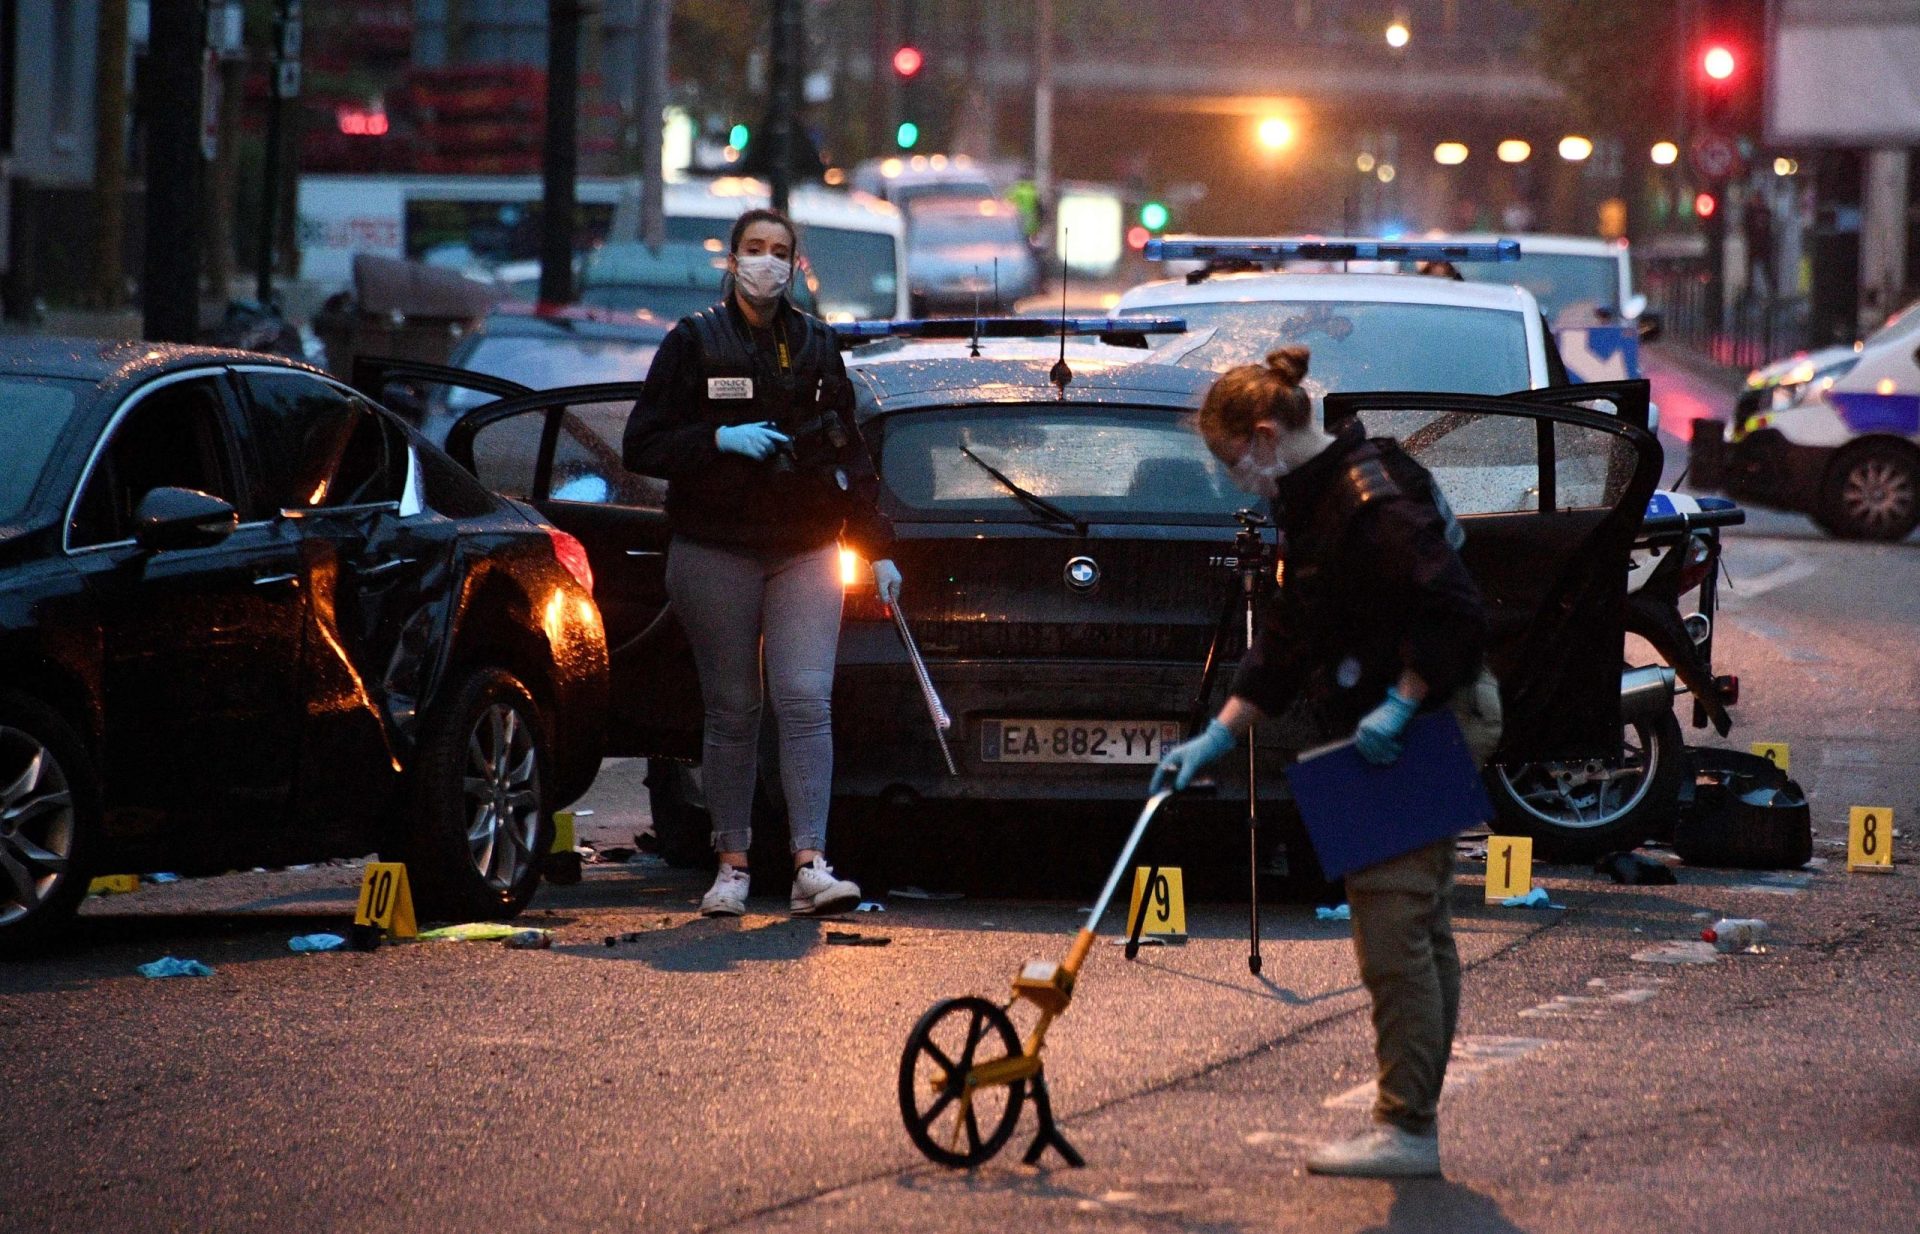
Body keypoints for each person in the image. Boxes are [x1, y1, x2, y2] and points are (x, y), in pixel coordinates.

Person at [1150, 346, 1502, 1179]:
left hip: (1425, 717)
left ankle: (1405, 1129)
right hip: (1417, 713)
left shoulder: (1366, 504)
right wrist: (1219, 734)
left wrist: (1404, 701)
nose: (1237, 480)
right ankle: (1412, 1114)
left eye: (1234, 462)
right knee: (1421, 928)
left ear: (1266, 435)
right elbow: (1289, 633)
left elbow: (1453, 609)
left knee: (1392, 931)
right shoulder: (1325, 494)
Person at [623, 207, 900, 919]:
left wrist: (877, 545)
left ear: (794, 263)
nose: (767, 262)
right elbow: (643, 443)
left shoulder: (815, 344)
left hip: (806, 545)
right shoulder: (692, 341)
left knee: (806, 700)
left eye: (779, 251)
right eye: (755, 248)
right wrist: (716, 440)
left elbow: (849, 449)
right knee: (734, 707)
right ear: (733, 258)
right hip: (716, 546)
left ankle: (810, 862)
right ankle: (732, 863)